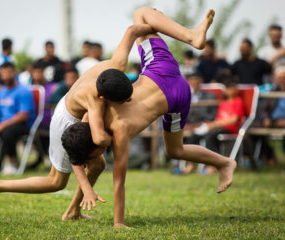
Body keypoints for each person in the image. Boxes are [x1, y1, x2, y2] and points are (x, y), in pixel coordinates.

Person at [62, 8, 236, 228]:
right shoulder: (94, 110)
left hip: (178, 98)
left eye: (91, 158)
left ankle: (225, 163)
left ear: (95, 148)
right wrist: (155, 25)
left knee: (176, 151)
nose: (93, 161)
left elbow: (119, 182)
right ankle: (189, 36)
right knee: (142, 14)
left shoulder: (119, 130)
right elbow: (79, 149)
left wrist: (119, 223)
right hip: (161, 71)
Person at [0, 23, 152, 220]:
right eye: (122, 102)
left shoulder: (113, 68)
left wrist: (146, 25)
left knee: (97, 165)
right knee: (56, 182)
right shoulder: (95, 103)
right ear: (105, 99)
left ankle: (72, 212)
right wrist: (119, 132)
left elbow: (131, 31)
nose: (127, 103)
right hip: (66, 122)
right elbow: (89, 143)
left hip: (71, 107)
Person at [176, 72, 217, 174]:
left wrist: (200, 122)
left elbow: (212, 115)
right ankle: (190, 165)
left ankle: (210, 165)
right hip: (189, 126)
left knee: (206, 137)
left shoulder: (210, 96)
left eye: (197, 79)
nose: (194, 82)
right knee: (189, 138)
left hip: (206, 125)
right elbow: (180, 113)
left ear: (201, 80)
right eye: (192, 79)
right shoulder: (183, 95)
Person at [26, 62, 58, 170]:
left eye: (40, 72)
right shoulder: (28, 89)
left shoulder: (53, 87)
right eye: (36, 72)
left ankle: (47, 160)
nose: (38, 75)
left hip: (49, 122)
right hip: (32, 122)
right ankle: (42, 159)